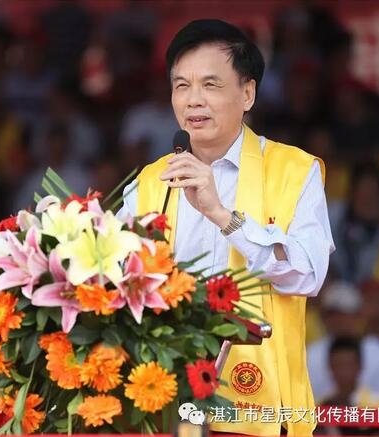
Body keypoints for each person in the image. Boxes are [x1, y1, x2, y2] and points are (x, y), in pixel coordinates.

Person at [117, 19, 334, 436]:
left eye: (211, 85)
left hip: (261, 411)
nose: (194, 100)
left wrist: (221, 214)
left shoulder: (294, 171)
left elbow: (307, 273)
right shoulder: (150, 182)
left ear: (247, 93)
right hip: (164, 407)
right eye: (182, 86)